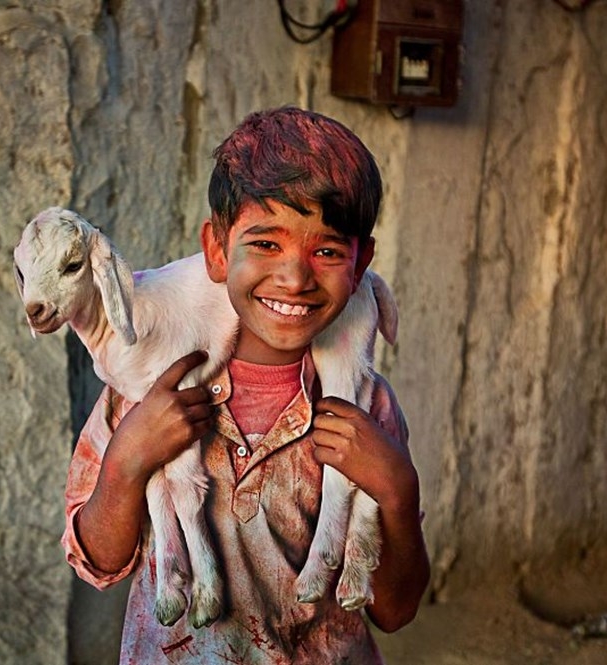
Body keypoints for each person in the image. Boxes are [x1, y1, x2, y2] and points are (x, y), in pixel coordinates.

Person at [62, 106, 429, 664]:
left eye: (327, 251)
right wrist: (126, 461)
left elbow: (395, 611)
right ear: (216, 249)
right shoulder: (148, 393)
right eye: (265, 244)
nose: (295, 277)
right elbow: (98, 562)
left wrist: (398, 493)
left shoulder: (365, 409)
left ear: (361, 265)